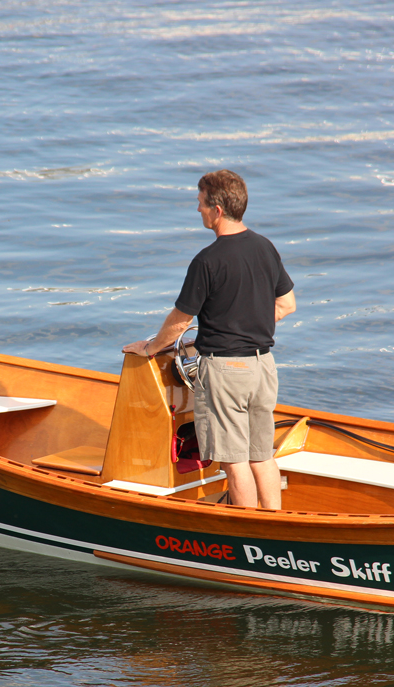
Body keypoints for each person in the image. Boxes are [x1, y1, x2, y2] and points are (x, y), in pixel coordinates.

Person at [123, 170, 296, 509]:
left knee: (234, 461)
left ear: (217, 210)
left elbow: (179, 324)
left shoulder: (208, 260)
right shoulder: (265, 247)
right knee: (261, 455)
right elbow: (287, 304)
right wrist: (250, 320)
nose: (197, 210)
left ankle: (246, 534)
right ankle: (274, 522)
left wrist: (150, 347)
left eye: (200, 203)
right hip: (263, 367)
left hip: (226, 371)